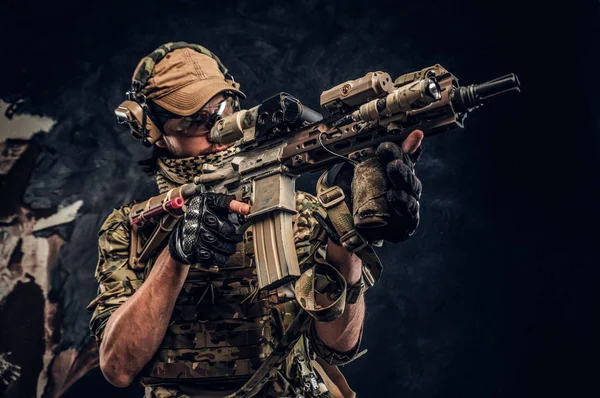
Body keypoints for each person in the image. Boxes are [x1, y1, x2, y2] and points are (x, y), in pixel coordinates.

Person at [88, 42, 423, 398]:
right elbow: (118, 367)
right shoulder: (132, 228)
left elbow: (337, 347)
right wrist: (176, 256)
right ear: (151, 129)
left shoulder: (301, 211)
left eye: (223, 107)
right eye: (193, 120)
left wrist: (348, 243)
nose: (215, 128)